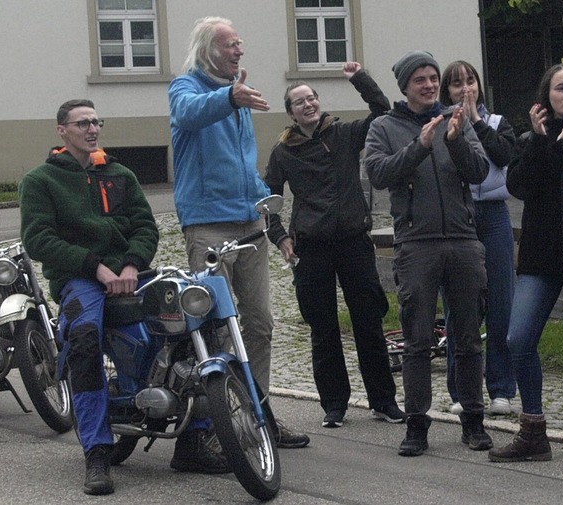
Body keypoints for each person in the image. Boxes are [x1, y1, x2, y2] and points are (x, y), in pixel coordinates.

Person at [167, 16, 309, 449]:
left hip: (248, 224)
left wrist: (272, 218)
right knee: (216, 328)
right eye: (231, 45)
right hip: (208, 225)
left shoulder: (238, 96)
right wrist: (229, 96)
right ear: (208, 49)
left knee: (260, 324)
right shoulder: (185, 87)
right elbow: (188, 115)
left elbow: (244, 168)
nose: (240, 51)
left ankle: (258, 412)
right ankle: (216, 424)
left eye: (240, 44)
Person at [19, 99, 159, 495]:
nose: (92, 128)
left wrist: (132, 264)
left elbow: (145, 226)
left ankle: (196, 434)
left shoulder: (119, 174)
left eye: (96, 121)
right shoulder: (40, 181)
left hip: (131, 273)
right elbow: (39, 239)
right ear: (62, 131)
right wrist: (96, 267)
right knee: (83, 340)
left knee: (181, 324)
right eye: (82, 123)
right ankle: (96, 450)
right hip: (80, 278)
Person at [263, 62, 406, 428]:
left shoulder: (344, 134)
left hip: (353, 243)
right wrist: (279, 238)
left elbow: (383, 112)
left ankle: (383, 401)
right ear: (291, 113)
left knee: (368, 322)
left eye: (311, 98)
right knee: (322, 329)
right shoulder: (283, 152)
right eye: (299, 101)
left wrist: (359, 78)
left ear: (319, 102)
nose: (308, 104)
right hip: (311, 250)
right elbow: (268, 202)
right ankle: (334, 405)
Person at [364, 50, 492, 456]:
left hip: (462, 240)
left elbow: (480, 172)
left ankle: (473, 420)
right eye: (419, 79)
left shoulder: (457, 119)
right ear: (404, 87)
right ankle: (417, 424)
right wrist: (419, 147)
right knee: (417, 339)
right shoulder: (384, 126)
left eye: (433, 77)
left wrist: (454, 141)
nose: (429, 84)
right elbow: (379, 174)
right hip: (416, 244)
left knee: (468, 336)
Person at [489, 64, 563, 464]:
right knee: (518, 339)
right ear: (547, 97)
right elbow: (518, 187)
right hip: (540, 257)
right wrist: (541, 143)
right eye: (561, 88)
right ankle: (533, 431)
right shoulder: (529, 140)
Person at [438, 60, 517, 417]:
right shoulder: (440, 124)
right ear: (447, 92)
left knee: (502, 302)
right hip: (459, 216)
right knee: (460, 307)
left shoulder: (498, 122)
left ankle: (501, 388)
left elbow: (504, 156)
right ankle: (461, 389)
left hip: (495, 216)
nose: (465, 89)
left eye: (470, 81)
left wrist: (478, 122)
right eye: (456, 84)